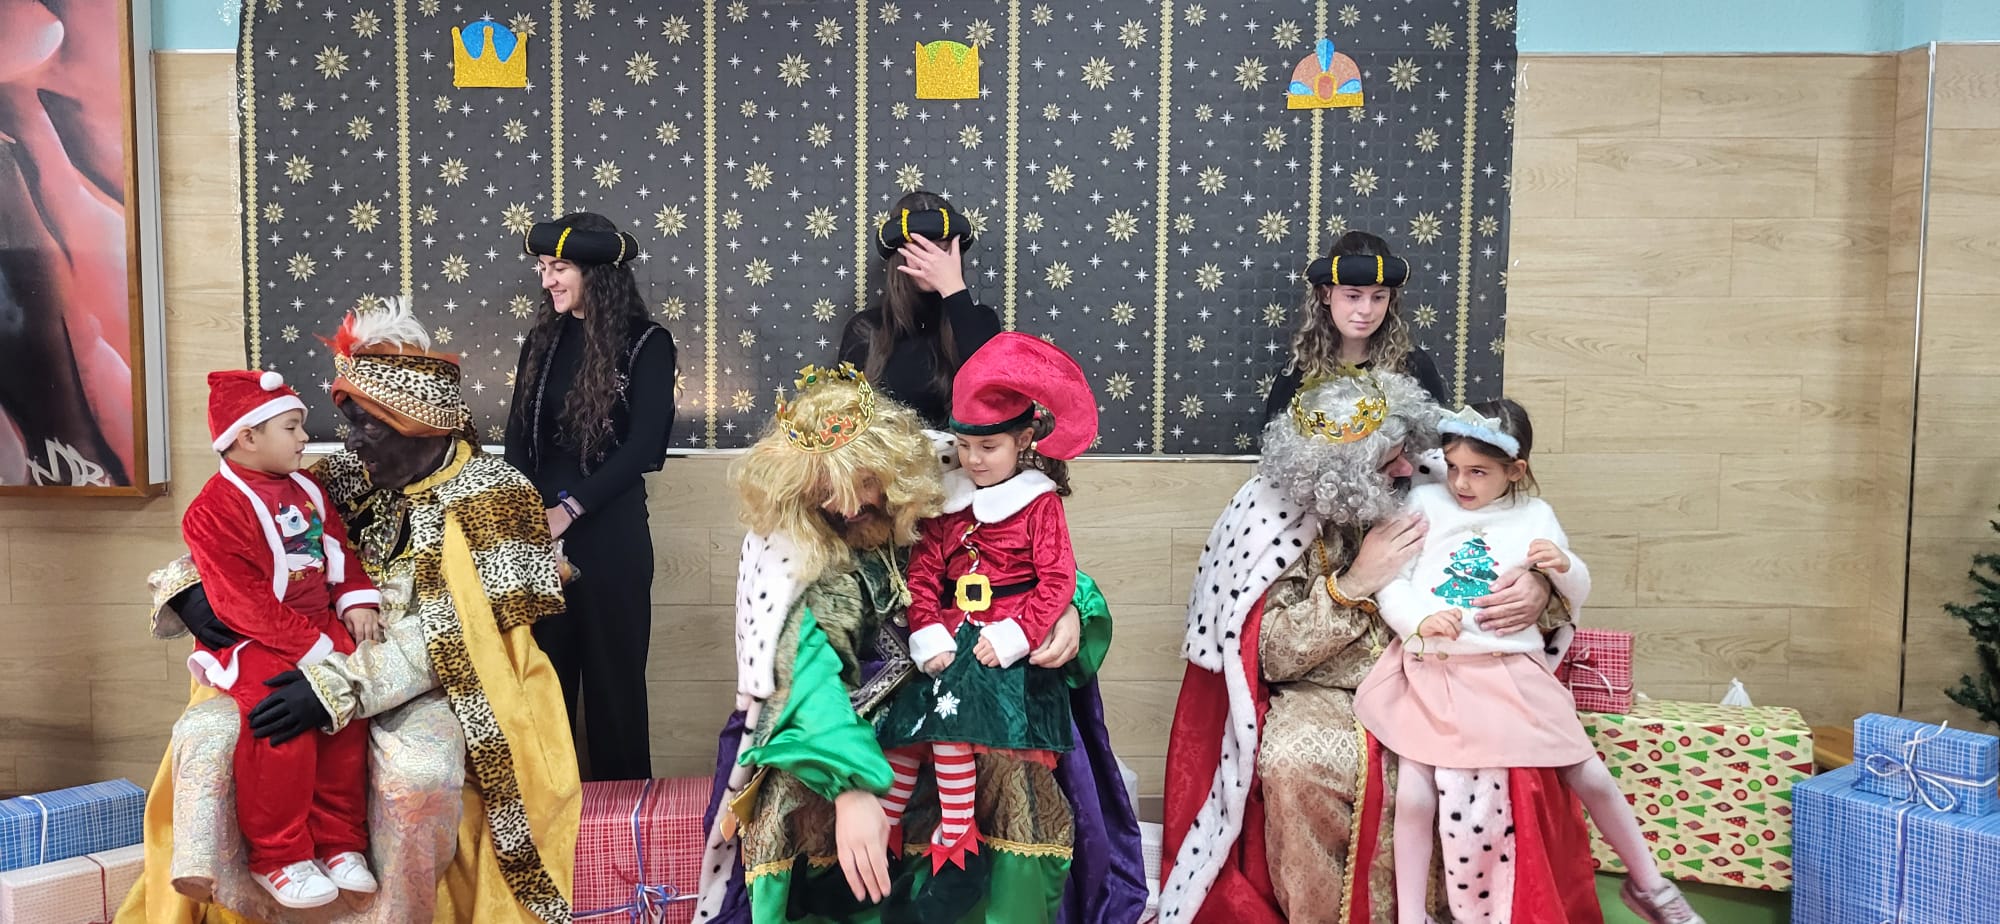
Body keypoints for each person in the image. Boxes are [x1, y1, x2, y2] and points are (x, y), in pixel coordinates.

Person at [119, 299, 581, 924]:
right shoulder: (343, 476)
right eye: (347, 423)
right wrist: (190, 590)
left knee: (415, 779)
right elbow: (246, 527)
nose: (350, 441)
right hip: (310, 653)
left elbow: (459, 639)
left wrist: (336, 689)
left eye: (367, 426)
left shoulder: (497, 496)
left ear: (418, 425)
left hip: (440, 685)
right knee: (205, 736)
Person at [694, 363, 1146, 924]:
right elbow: (800, 675)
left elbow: (1028, 563)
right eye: (825, 492)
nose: (848, 506)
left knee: (1014, 769)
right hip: (834, 717)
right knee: (792, 796)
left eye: (863, 483)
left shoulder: (944, 477)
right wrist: (850, 786)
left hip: (960, 680)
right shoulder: (792, 549)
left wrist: (1073, 609)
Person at [1160, 372, 1599, 924]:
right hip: (1321, 688)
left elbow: (1516, 539)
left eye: (1407, 452)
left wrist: (1538, 586)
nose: (1408, 467)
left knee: (1496, 754)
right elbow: (1266, 653)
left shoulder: (1441, 479)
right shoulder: (1270, 516)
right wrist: (1354, 583)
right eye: (1390, 460)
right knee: (1298, 764)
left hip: (1442, 670)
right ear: (1345, 471)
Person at [1354, 400, 1703, 924]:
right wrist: (1420, 622)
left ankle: (1652, 887)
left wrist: (1563, 568)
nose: (1461, 483)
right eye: (1454, 467)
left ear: (1515, 471)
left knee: (1590, 773)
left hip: (1511, 668)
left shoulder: (1536, 516)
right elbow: (1392, 582)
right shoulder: (1425, 502)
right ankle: (1410, 916)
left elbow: (1574, 588)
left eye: (1478, 472)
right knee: (1416, 791)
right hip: (1438, 667)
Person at [874, 333, 1098, 918]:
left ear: (1023, 441)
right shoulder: (947, 504)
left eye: (989, 447)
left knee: (950, 719)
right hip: (950, 633)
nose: (974, 460)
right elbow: (923, 574)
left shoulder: (1039, 504)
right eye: (965, 446)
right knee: (905, 728)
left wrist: (1015, 636)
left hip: (1003, 639)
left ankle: (957, 851)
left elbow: (1057, 580)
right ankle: (881, 850)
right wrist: (926, 631)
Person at [179, 369, 383, 908]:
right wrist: (316, 651)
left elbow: (336, 550)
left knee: (345, 719)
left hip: (319, 625)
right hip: (257, 637)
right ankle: (279, 855)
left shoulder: (308, 489)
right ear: (247, 436)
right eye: (292, 427)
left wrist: (356, 599)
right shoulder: (212, 509)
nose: (303, 438)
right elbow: (241, 603)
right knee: (279, 725)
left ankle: (340, 842)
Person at [506, 213, 678, 782]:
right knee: (544, 691)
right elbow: (517, 443)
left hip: (611, 540)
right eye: (542, 267)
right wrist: (524, 519)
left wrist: (570, 509)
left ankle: (629, 828)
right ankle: (549, 823)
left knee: (615, 695)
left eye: (559, 268)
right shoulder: (541, 341)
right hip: (539, 543)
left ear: (596, 273)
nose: (546, 280)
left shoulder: (648, 344)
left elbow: (644, 446)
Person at [838, 191, 1002, 428]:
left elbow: (994, 395)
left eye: (942, 250)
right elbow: (844, 420)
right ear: (899, 255)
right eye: (920, 249)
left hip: (962, 451)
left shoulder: (981, 322)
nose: (932, 261)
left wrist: (954, 289)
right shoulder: (865, 330)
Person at [1262, 232, 1451, 424]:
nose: (1366, 310)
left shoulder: (1414, 367)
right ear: (1326, 295)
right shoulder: (1298, 373)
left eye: (1378, 297)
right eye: (1353, 296)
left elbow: (1435, 437)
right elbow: (1274, 440)